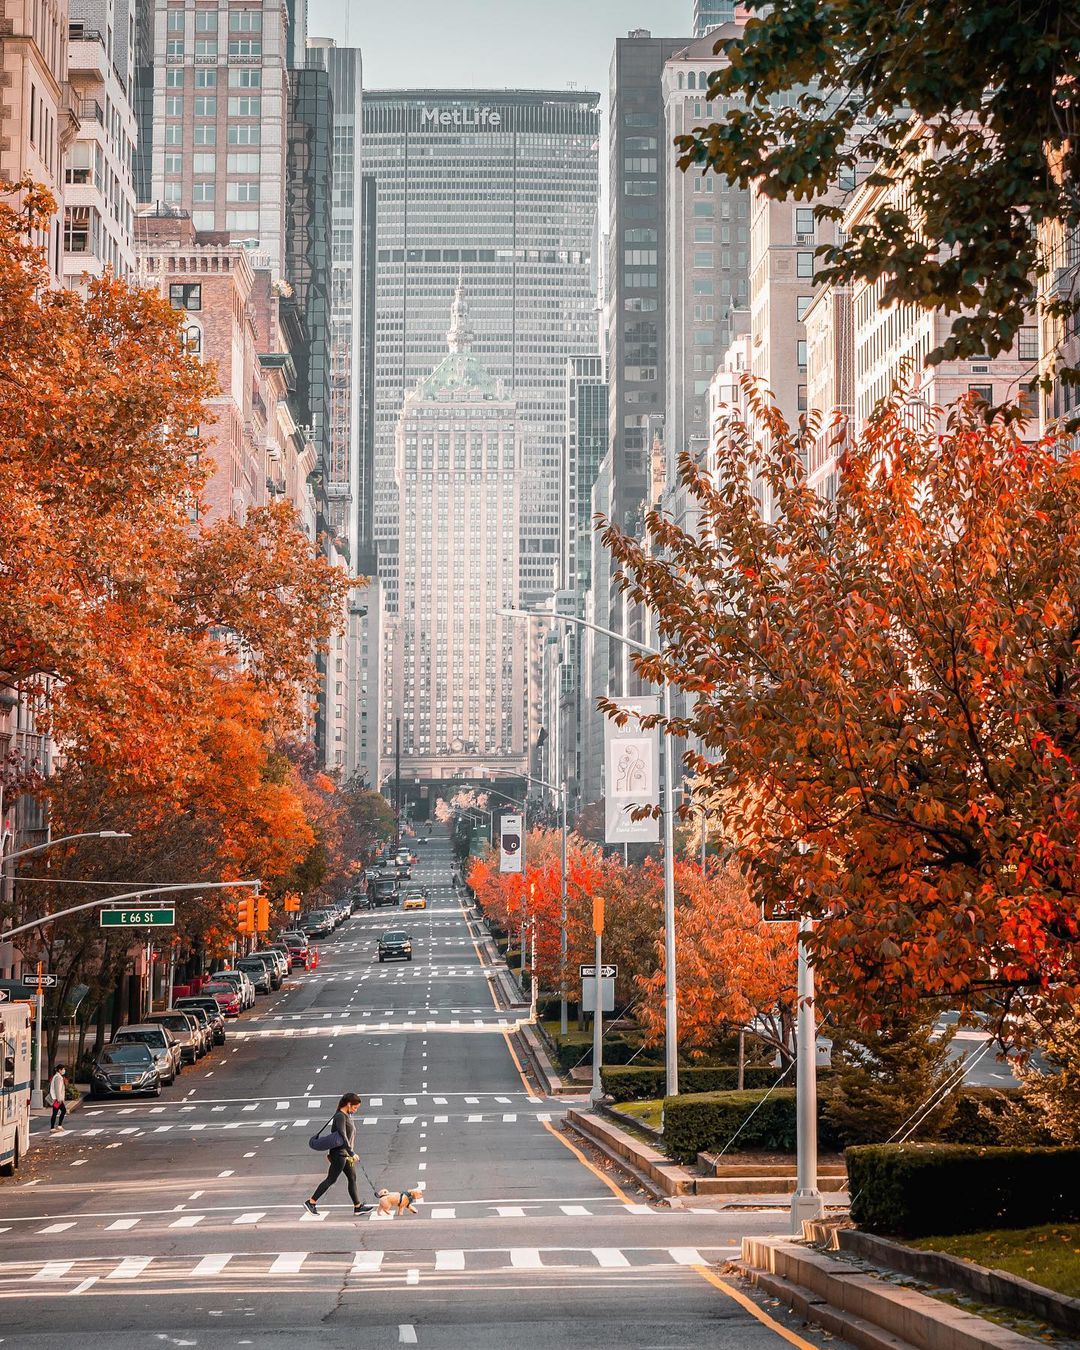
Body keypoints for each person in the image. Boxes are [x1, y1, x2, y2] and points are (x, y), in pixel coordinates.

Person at [305, 1092, 372, 1215]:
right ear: (348, 1104)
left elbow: (349, 1136)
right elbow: (342, 1134)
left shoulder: (347, 1115)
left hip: (345, 1153)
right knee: (331, 1179)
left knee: (352, 1178)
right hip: (339, 1154)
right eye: (355, 1107)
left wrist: (350, 1151)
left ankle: (357, 1207)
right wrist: (351, 1152)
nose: (355, 1110)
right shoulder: (340, 1116)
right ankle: (311, 1201)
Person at [49, 1065, 68, 1132]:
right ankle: (56, 1127)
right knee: (62, 1111)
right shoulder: (58, 1077)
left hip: (56, 1098)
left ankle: (55, 1127)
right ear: (59, 1070)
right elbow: (57, 1089)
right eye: (63, 1069)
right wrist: (59, 1099)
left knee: (56, 1112)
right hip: (57, 1099)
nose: (64, 1071)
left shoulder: (58, 1076)